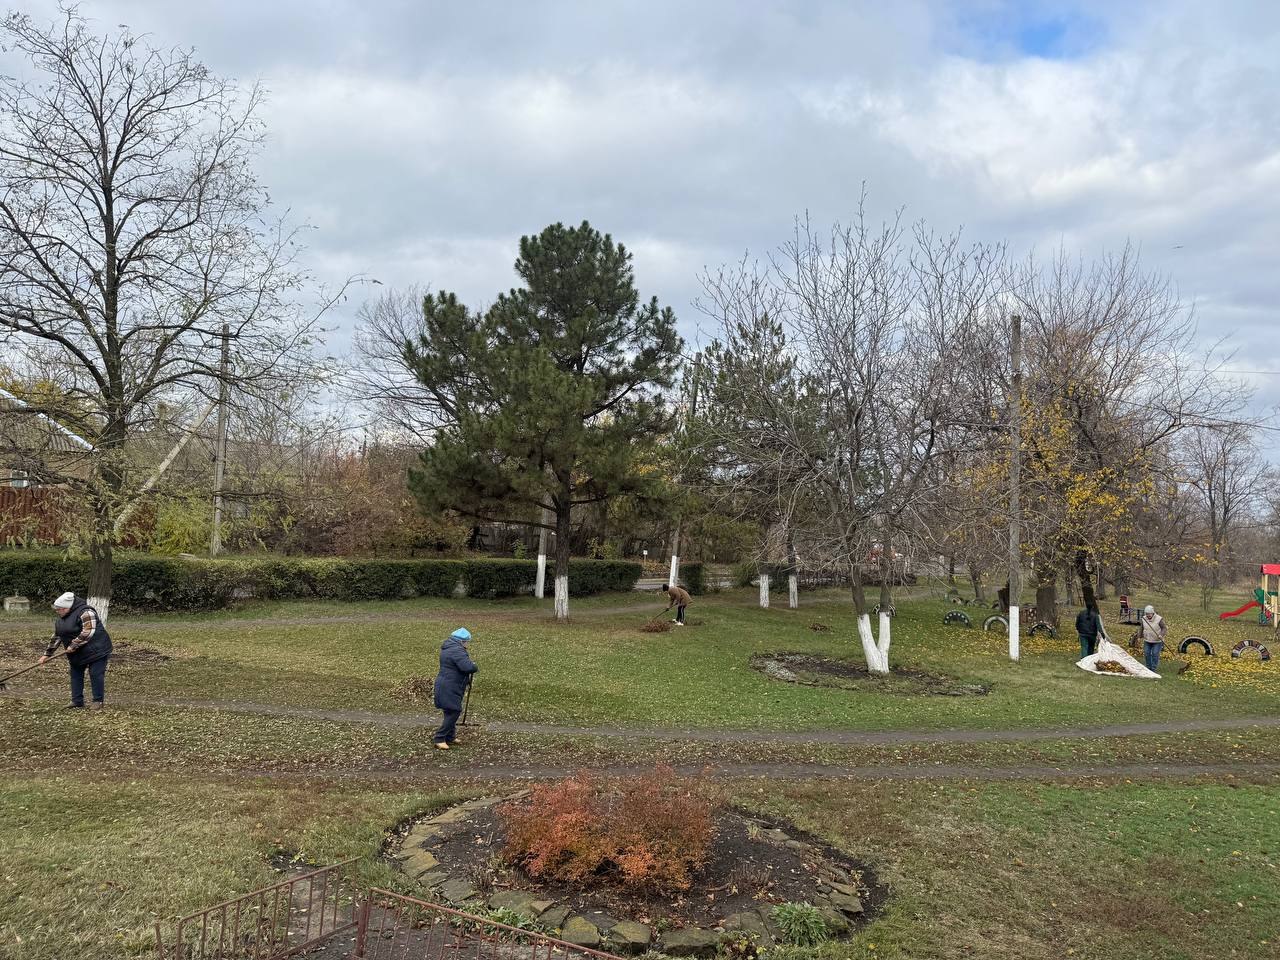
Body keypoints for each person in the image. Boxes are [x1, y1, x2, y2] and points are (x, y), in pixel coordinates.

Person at [38, 591, 112, 709]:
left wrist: (73, 645)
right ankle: (77, 701)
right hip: (78, 652)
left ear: (67, 607)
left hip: (97, 649)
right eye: (56, 610)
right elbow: (57, 636)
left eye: (59, 609)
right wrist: (47, 654)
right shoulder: (61, 620)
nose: (57, 612)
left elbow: (88, 631)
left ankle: (98, 701)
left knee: (95, 674)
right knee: (76, 674)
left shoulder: (86, 612)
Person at [433, 627, 477, 750]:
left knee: (450, 710)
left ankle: (450, 736)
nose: (468, 644)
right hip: (450, 685)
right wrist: (474, 665)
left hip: (448, 684)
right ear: (462, 641)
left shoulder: (449, 648)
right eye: (467, 642)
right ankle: (439, 738)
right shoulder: (457, 651)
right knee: (454, 710)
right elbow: (467, 667)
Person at [1139, 604, 1168, 672]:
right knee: (1146, 653)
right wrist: (1139, 636)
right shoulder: (1144, 619)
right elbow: (1141, 628)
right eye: (1146, 614)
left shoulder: (1159, 619)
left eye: (1149, 614)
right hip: (1147, 640)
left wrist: (1161, 635)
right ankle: (1148, 668)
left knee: (1155, 654)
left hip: (1157, 641)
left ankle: (1153, 668)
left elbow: (1164, 628)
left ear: (1152, 613)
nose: (1148, 615)